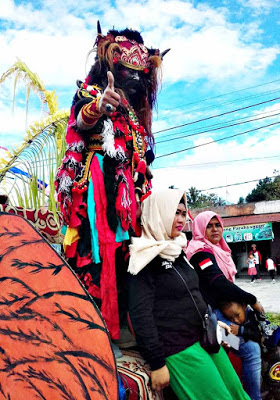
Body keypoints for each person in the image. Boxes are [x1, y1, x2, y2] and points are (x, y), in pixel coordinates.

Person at [55, 22, 169, 344]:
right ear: (110, 66)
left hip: (128, 191)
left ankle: (129, 319)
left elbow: (139, 153)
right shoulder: (92, 92)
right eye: (126, 71)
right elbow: (82, 117)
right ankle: (99, 325)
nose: (133, 78)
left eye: (139, 74)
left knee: (128, 254)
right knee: (100, 253)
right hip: (98, 186)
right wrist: (98, 107)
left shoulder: (133, 114)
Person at [128, 189, 250, 400]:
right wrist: (157, 363)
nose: (181, 219)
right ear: (159, 213)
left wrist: (213, 322)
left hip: (205, 337)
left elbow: (193, 293)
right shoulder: (143, 258)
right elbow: (141, 316)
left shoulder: (177, 250)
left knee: (237, 392)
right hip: (179, 348)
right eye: (175, 212)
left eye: (184, 213)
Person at [185, 211, 264, 400]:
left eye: (217, 225)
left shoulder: (220, 251)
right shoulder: (200, 253)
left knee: (256, 337)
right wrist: (252, 299)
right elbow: (218, 282)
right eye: (209, 226)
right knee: (250, 350)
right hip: (211, 320)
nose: (214, 229)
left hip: (223, 314)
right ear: (200, 229)